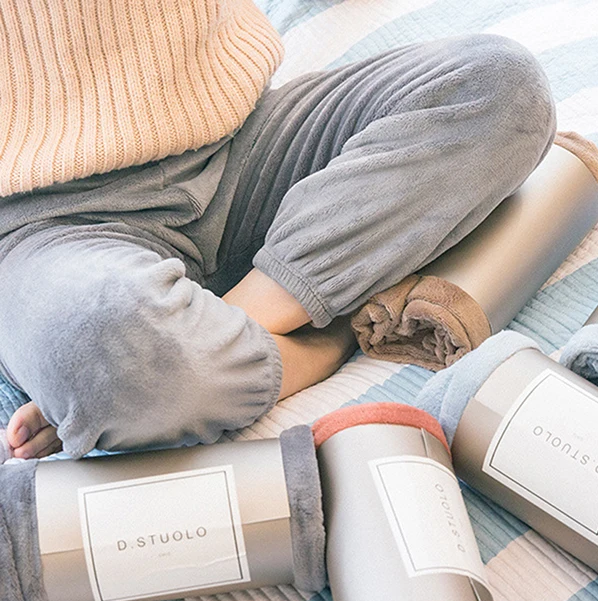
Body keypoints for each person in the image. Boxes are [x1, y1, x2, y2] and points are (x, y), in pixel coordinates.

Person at [0, 0, 555, 460]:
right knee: (98, 344)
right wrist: (113, 367)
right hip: (47, 224)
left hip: (241, 140)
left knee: (500, 81)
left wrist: (135, 377)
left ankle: (223, 332)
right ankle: (324, 338)